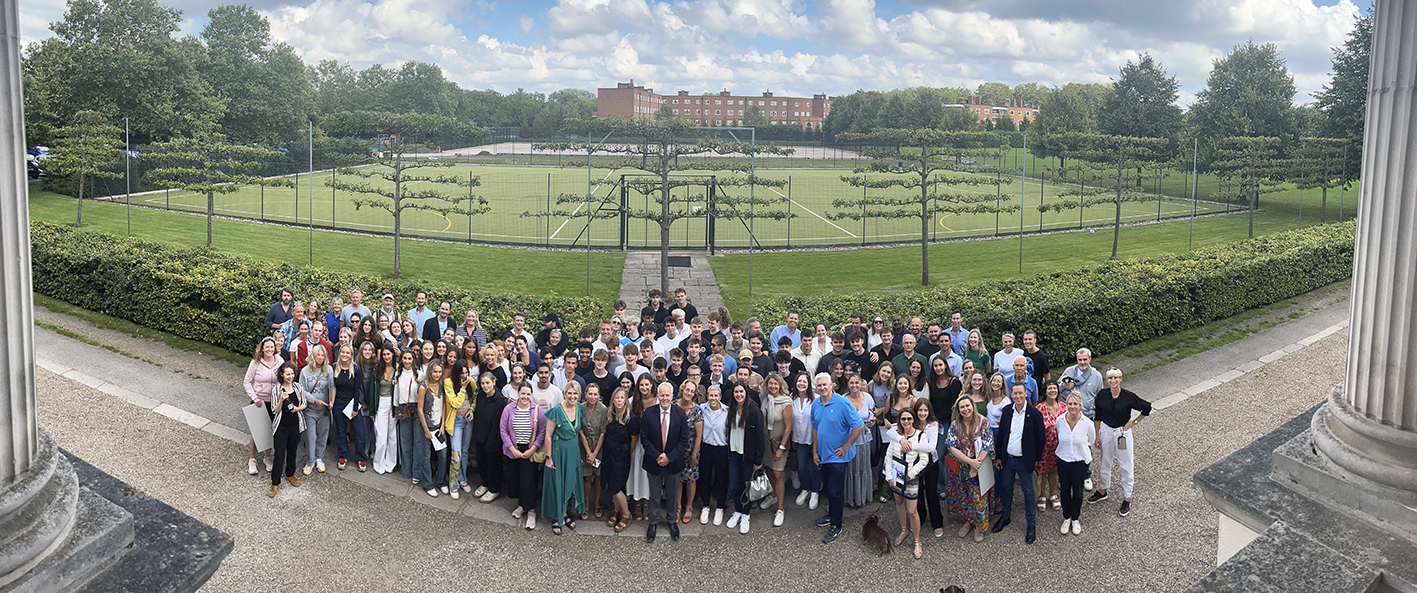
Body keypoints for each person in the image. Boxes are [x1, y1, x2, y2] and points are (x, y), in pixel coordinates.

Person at [1090, 368, 1151, 517]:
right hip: (1106, 431)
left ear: (1120, 379)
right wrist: (1096, 436)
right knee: (1104, 462)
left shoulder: (1128, 396)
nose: (1113, 381)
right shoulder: (1102, 395)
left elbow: (1147, 407)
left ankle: (1127, 497)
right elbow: (1097, 416)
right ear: (1107, 380)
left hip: (1122, 432)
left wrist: (1134, 422)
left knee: (1126, 465)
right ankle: (1103, 490)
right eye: (1110, 378)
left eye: (1116, 378)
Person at [811, 372, 864, 544]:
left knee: (835, 491)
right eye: (819, 386)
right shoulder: (816, 404)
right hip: (823, 455)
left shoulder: (842, 403)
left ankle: (836, 524)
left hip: (838, 457)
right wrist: (814, 451)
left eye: (825, 384)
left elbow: (858, 425)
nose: (822, 388)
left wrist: (847, 446)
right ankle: (832, 514)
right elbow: (814, 428)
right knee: (828, 488)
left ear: (832, 384)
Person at [992, 384, 1046, 544]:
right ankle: (1006, 516)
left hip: (1025, 460)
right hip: (1008, 459)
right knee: (1006, 488)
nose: (1017, 396)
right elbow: (1002, 434)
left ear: (1026, 393)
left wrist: (1036, 459)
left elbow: (1040, 439)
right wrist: (999, 456)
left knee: (1028, 491)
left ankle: (1031, 524)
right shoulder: (1007, 410)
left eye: (1020, 393)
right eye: (1014, 393)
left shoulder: (1034, 414)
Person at [641, 382, 690, 543]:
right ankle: (653, 522)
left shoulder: (680, 414)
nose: (664, 398)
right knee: (654, 495)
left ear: (672, 397)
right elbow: (645, 439)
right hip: (653, 461)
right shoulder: (648, 413)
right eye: (661, 395)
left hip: (673, 462)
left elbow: (684, 441)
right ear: (657, 396)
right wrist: (657, 456)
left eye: (667, 395)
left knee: (672, 494)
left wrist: (669, 457)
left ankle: (671, 521)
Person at [944, 396, 994, 543]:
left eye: (967, 406)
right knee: (964, 496)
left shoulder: (983, 422)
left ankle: (980, 526)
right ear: (958, 410)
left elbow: (987, 444)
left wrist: (976, 465)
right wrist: (970, 462)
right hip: (962, 468)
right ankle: (969, 520)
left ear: (973, 406)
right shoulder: (955, 425)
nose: (965, 409)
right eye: (962, 407)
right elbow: (951, 446)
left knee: (979, 497)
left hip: (980, 466)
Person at [541, 381, 586, 534]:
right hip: (558, 451)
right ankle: (556, 516)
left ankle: (565, 513)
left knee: (569, 483)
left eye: (575, 394)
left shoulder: (579, 408)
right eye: (570, 393)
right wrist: (548, 457)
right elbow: (548, 436)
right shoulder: (556, 411)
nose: (572, 396)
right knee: (557, 483)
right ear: (564, 393)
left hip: (573, 451)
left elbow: (579, 431)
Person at [501, 383, 548, 529]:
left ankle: (532, 512)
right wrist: (512, 449)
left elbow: (542, 432)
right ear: (518, 394)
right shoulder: (509, 409)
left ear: (531, 395)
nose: (525, 397)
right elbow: (503, 430)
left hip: (530, 450)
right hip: (513, 450)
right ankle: (522, 505)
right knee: (515, 479)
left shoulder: (537, 410)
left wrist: (532, 450)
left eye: (528, 394)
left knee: (529, 482)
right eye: (523, 394)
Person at [885, 408, 929, 559]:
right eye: (903, 419)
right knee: (898, 502)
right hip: (896, 476)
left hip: (910, 477)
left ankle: (917, 540)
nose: (906, 422)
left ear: (913, 420)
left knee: (912, 511)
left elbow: (924, 460)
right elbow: (889, 455)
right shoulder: (896, 436)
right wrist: (889, 476)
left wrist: (909, 475)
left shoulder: (920, 436)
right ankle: (903, 530)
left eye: (909, 419)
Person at [721, 382, 764, 535]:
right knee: (733, 485)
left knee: (747, 486)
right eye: (736, 392)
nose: (738, 394)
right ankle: (738, 510)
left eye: (741, 392)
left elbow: (760, 437)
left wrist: (758, 460)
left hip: (748, 455)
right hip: (733, 452)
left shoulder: (753, 411)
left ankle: (746, 514)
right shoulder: (731, 409)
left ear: (746, 393)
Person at [600, 388, 639, 532]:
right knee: (611, 484)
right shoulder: (609, 415)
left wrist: (626, 453)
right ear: (612, 400)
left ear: (626, 400)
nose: (619, 400)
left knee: (616, 487)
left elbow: (634, 439)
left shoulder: (631, 418)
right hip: (608, 454)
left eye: (622, 398)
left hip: (621, 456)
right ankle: (616, 511)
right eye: (617, 398)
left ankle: (627, 514)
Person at [1056, 393, 1095, 535]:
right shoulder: (1060, 420)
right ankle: (1066, 517)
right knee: (1065, 490)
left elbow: (1091, 440)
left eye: (1075, 404)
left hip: (1079, 463)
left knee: (1078, 492)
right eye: (1070, 404)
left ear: (1080, 406)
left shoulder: (1087, 423)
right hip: (1063, 461)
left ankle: (1075, 519)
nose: (1072, 407)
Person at [267, 362, 307, 497]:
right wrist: (281, 400)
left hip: (295, 424)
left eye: (292, 374)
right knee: (279, 453)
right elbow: (274, 410)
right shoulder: (276, 390)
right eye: (287, 374)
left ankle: (290, 474)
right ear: (282, 375)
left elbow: (304, 404)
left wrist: (297, 409)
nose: (290, 377)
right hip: (281, 426)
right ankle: (275, 482)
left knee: (292, 450)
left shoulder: (298, 387)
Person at [243, 337, 282, 475]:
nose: (269, 349)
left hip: (275, 402)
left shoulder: (280, 361)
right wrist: (254, 397)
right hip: (259, 402)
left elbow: (283, 379)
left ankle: (267, 457)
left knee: (271, 429)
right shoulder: (255, 363)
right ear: (262, 348)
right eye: (267, 347)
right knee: (256, 432)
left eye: (272, 347)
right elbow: (247, 382)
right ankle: (252, 460)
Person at [760, 373, 793, 527]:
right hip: (766, 442)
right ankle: (773, 494)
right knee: (768, 469)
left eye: (776, 384)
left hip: (779, 442)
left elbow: (788, 428)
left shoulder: (786, 403)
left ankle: (780, 508)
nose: (773, 386)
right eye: (770, 383)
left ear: (781, 385)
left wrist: (781, 448)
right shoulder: (765, 399)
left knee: (778, 474)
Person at [471, 366, 508, 502]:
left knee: (493, 464)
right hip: (480, 436)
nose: (485, 386)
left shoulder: (499, 401)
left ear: (494, 382)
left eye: (488, 383)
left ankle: (494, 488)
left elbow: (498, 424)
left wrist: (492, 442)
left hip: (492, 439)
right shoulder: (481, 396)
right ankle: (484, 483)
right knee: (482, 462)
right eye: (483, 383)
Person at [696, 384, 730, 525]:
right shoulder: (701, 409)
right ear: (707, 396)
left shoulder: (727, 411)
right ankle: (705, 505)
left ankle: (720, 507)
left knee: (721, 478)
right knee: (705, 477)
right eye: (711, 395)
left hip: (721, 449)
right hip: (706, 447)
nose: (713, 398)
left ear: (720, 397)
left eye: (716, 395)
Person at [299, 345, 334, 476]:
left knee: (322, 435)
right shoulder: (305, 371)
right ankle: (310, 460)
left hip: (324, 410)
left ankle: (319, 458)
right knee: (310, 436)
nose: (320, 357)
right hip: (310, 410)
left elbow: (332, 387)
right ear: (313, 356)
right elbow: (302, 390)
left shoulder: (329, 370)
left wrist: (331, 402)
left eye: (322, 355)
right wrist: (314, 400)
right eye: (318, 355)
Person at [415, 362, 448, 497]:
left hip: (439, 426)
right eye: (435, 372)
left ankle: (441, 481)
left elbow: (444, 404)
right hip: (426, 427)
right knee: (426, 455)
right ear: (430, 371)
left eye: (440, 372)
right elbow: (420, 409)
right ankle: (427, 484)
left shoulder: (442, 385)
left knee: (443, 456)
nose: (437, 374)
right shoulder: (423, 387)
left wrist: (442, 425)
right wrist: (426, 430)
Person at [443, 358, 473, 498]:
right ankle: (453, 484)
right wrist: (462, 388)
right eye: (461, 373)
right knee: (456, 453)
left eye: (466, 372)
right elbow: (454, 403)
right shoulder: (448, 383)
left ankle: (462, 478)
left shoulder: (471, 381)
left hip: (468, 419)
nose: (464, 376)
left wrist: (472, 408)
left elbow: (476, 396)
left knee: (465, 451)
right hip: (456, 421)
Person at [789, 372, 819, 510]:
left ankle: (815, 491)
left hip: (815, 439)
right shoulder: (792, 398)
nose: (801, 384)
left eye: (804, 382)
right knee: (801, 467)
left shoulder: (816, 400)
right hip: (800, 439)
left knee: (815, 466)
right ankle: (805, 488)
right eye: (799, 381)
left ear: (809, 384)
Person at [1036, 381, 1066, 513]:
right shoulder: (1039, 408)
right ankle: (1042, 494)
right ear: (1045, 391)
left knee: (1054, 470)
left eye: (1054, 388)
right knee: (1043, 472)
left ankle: (1053, 494)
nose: (1052, 390)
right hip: (1043, 447)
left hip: (1059, 447)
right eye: (1049, 388)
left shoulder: (1064, 407)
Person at [579, 383, 609, 518]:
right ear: (585, 394)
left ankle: (597, 504)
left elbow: (603, 432)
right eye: (590, 394)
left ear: (599, 395)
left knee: (598, 477)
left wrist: (595, 453)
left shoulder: (603, 409)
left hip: (599, 445)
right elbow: (580, 430)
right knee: (586, 477)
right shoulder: (580, 408)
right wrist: (588, 452)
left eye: (595, 394)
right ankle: (586, 504)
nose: (592, 397)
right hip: (584, 445)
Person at [676, 381, 704, 524]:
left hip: (691, 450)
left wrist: (694, 454)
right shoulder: (674, 405)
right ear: (682, 390)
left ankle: (689, 506)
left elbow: (699, 435)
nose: (689, 393)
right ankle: (678, 506)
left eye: (692, 391)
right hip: (676, 449)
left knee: (691, 479)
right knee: (678, 478)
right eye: (687, 390)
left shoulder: (697, 410)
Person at [369, 345, 399, 475]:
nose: (387, 357)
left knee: (392, 435)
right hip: (380, 403)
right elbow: (371, 391)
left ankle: (390, 463)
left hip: (393, 404)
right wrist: (372, 410)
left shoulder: (399, 369)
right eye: (384, 354)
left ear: (393, 354)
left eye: (389, 354)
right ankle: (378, 462)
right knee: (381, 436)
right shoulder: (377, 369)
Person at [393, 349, 421, 482]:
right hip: (403, 409)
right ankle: (406, 469)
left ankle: (416, 472)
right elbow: (396, 394)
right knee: (405, 441)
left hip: (416, 408)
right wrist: (396, 410)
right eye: (405, 358)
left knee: (417, 441)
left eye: (410, 358)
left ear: (413, 359)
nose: (407, 361)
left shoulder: (419, 375)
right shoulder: (398, 374)